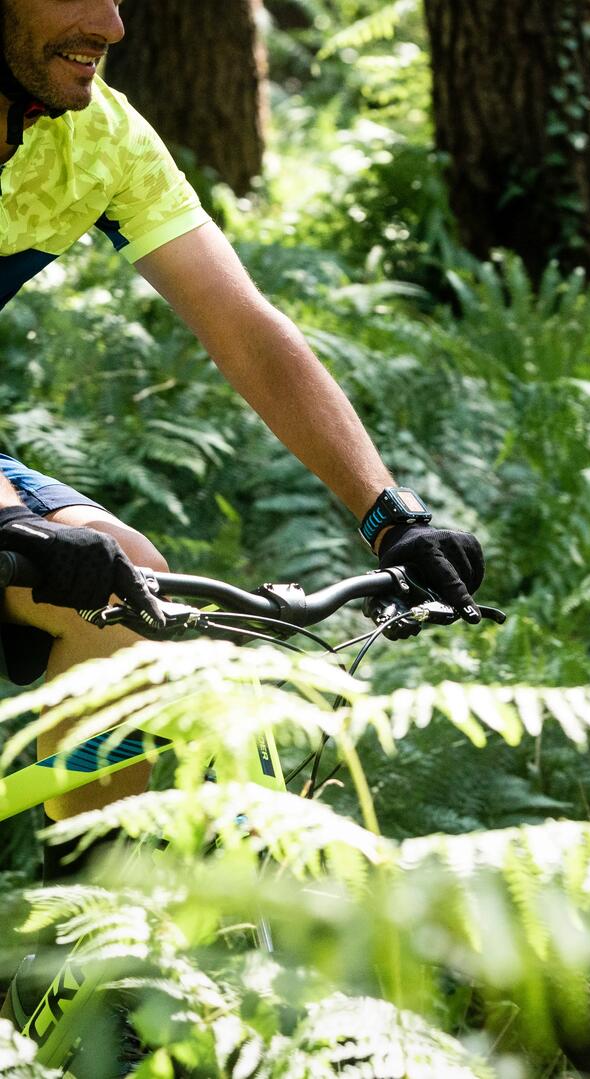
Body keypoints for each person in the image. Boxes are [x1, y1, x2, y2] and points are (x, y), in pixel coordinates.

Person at [0, 0, 483, 866]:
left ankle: (99, 932)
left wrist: (390, 514)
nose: (111, 24)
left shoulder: (100, 139)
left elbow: (243, 326)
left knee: (124, 591)